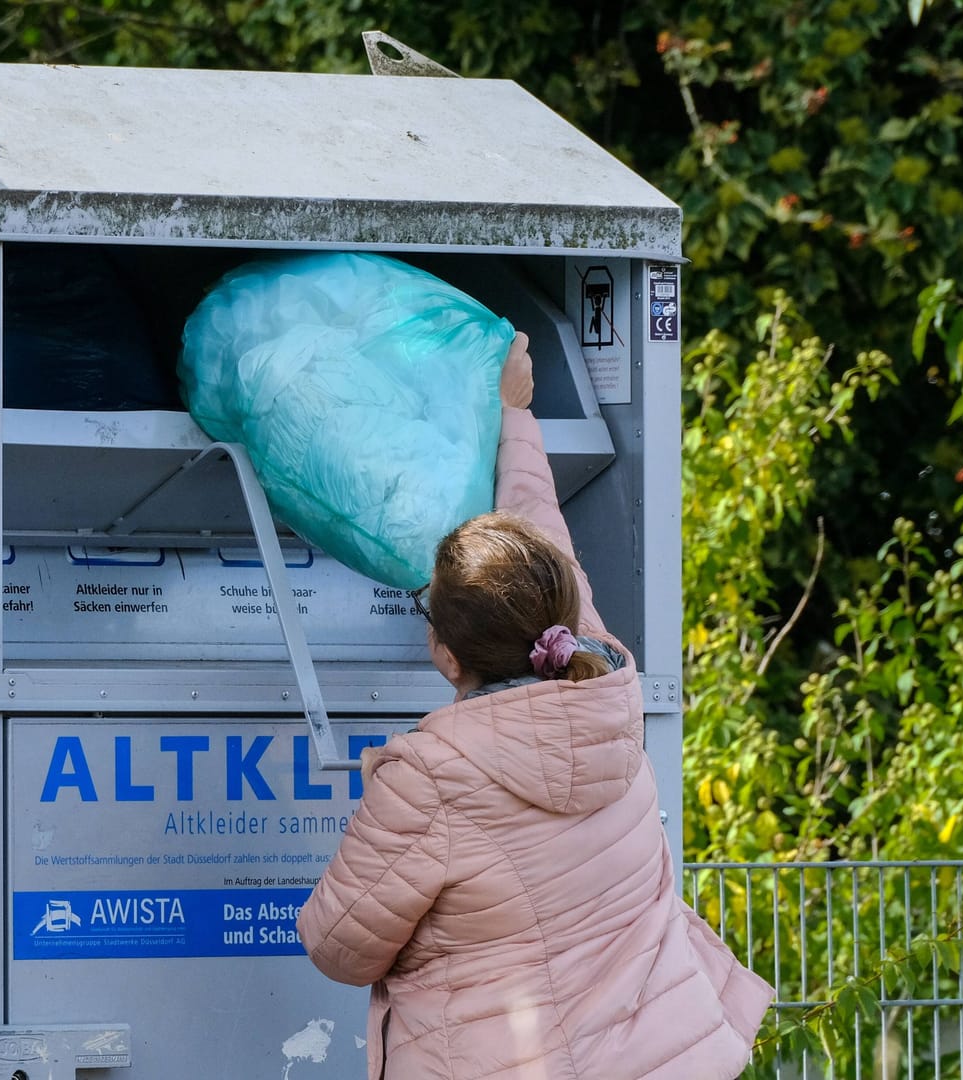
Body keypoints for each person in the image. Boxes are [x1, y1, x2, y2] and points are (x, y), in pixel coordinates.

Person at [296, 334, 773, 1079]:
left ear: (445, 655)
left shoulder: (431, 783)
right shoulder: (604, 681)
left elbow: (337, 944)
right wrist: (515, 413)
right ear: (559, 611)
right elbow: (539, 528)